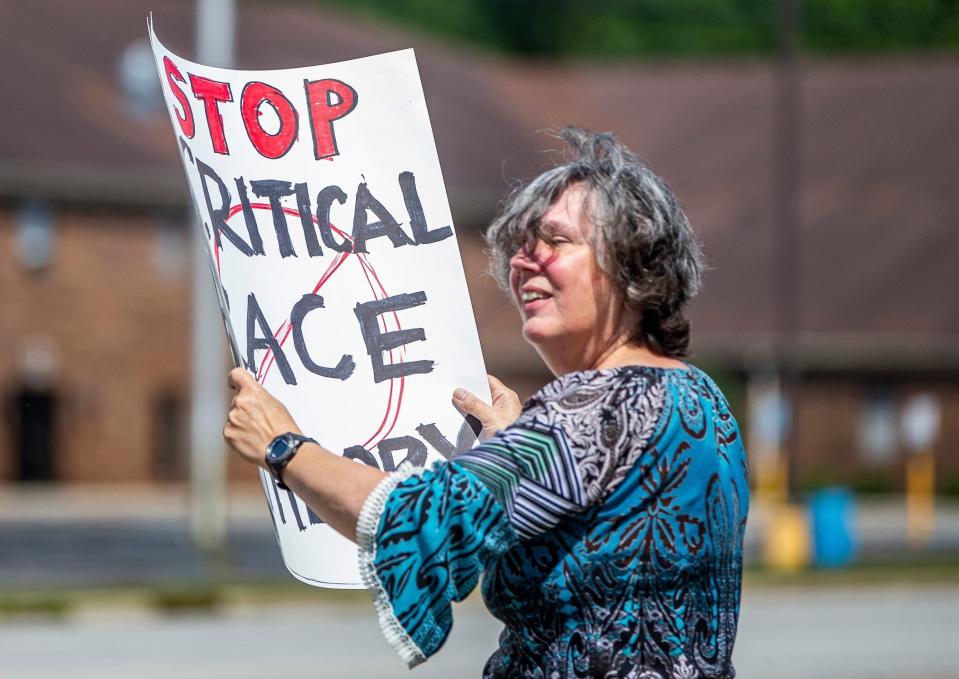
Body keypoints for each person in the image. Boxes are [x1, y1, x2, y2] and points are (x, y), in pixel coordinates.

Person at [224, 128, 749, 678]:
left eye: (554, 240)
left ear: (632, 262)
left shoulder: (596, 408)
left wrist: (284, 447)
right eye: (520, 247)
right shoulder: (695, 394)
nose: (524, 261)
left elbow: (418, 517)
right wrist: (518, 441)